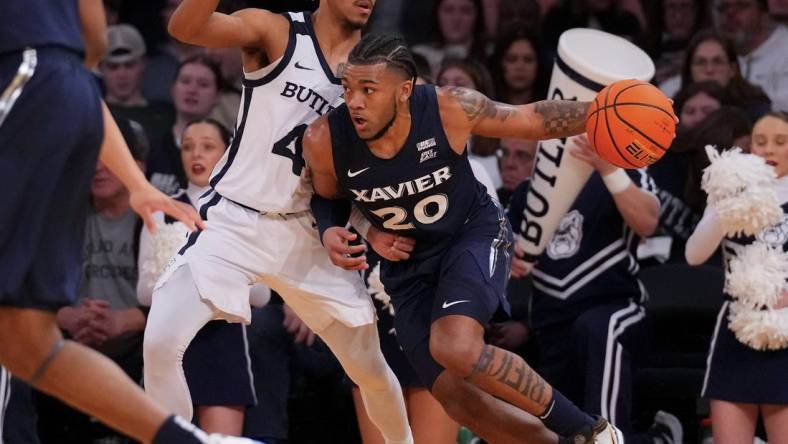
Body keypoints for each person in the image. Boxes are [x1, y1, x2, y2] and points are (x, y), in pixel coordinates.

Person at [304, 33, 624, 444]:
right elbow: (326, 197)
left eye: (369, 90)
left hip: (471, 234)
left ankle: (589, 429)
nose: (354, 101)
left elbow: (531, 118)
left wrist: (602, 110)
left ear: (405, 91)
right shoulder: (325, 138)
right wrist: (337, 228)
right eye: (349, 88)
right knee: (456, 398)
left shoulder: (448, 106)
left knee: (456, 348)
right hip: (407, 267)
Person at [143, 2, 415, 443]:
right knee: (160, 340)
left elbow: (374, 164)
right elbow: (186, 28)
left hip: (312, 234)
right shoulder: (275, 31)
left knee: (371, 369)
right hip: (236, 221)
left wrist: (372, 226)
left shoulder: (375, 67)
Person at [0, 1, 252, 443]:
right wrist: (135, 181)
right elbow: (91, 46)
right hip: (67, 93)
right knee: (27, 344)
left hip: (21, 81)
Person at [139, 119, 270, 436]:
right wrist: (217, 283)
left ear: (228, 152)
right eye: (188, 146)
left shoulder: (246, 212)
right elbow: (143, 292)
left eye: (208, 146)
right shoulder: (159, 209)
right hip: (165, 340)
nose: (196, 154)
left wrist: (190, 284)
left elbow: (263, 293)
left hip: (222, 346)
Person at [686, 111, 788, 443]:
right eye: (760, 142)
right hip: (736, 331)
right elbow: (694, 255)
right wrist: (723, 205)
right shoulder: (730, 192)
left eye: (780, 142)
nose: (769, 150)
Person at [147, 55, 222, 195]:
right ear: (172, 89)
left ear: (218, 96)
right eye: (185, 81)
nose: (192, 90)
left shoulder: (229, 152)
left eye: (203, 84)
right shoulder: (150, 146)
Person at [659, 30, 771, 121]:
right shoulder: (674, 111)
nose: (709, 70)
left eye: (717, 62)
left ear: (732, 70)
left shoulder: (756, 108)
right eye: (701, 62)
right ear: (690, 71)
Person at [712, 0, 788, 111]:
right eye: (723, 7)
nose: (730, 13)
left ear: (764, 14)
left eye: (741, 5)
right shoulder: (709, 53)